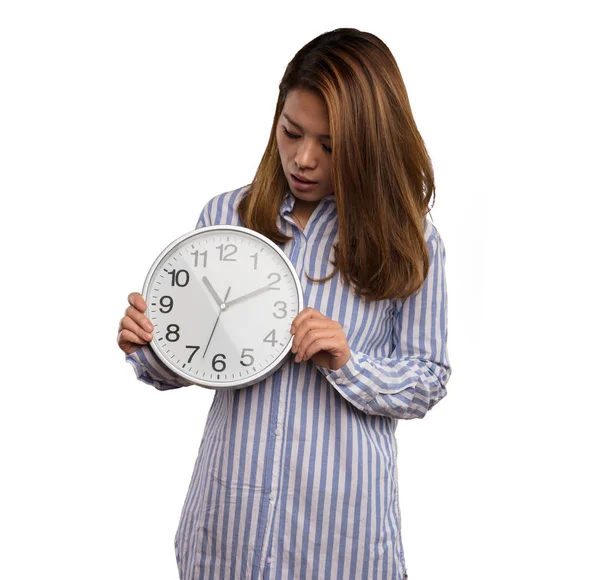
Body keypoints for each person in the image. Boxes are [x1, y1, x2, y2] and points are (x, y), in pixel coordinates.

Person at [117, 27, 451, 580]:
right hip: (227, 528)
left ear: (370, 145)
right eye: (292, 132)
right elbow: (197, 360)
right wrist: (150, 345)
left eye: (330, 145)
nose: (303, 159)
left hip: (340, 535)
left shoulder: (409, 239)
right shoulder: (227, 217)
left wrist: (350, 364)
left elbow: (428, 379)